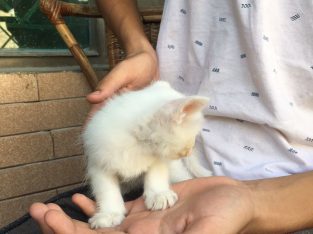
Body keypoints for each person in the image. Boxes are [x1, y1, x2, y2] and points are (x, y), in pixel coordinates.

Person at [29, 0, 313, 233]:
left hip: (296, 193)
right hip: (168, 185)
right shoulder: (156, 124)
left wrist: (252, 203)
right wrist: (138, 47)